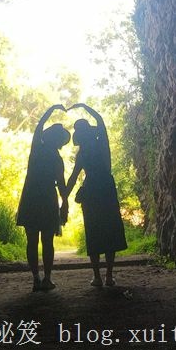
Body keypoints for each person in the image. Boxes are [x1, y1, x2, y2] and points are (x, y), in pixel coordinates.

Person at [66, 102, 127, 287]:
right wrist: (86, 107)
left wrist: (64, 197)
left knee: (93, 231)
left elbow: (73, 177)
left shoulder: (82, 153)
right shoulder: (102, 145)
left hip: (91, 189)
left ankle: (97, 276)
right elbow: (100, 120)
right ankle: (108, 275)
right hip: (106, 188)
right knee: (110, 230)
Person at [16, 103, 70, 291]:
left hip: (31, 196)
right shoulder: (57, 158)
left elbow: (39, 126)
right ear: (60, 142)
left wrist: (51, 110)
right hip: (47, 198)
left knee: (32, 240)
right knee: (47, 241)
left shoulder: (37, 150)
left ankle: (36, 278)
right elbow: (61, 184)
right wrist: (65, 203)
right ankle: (46, 278)